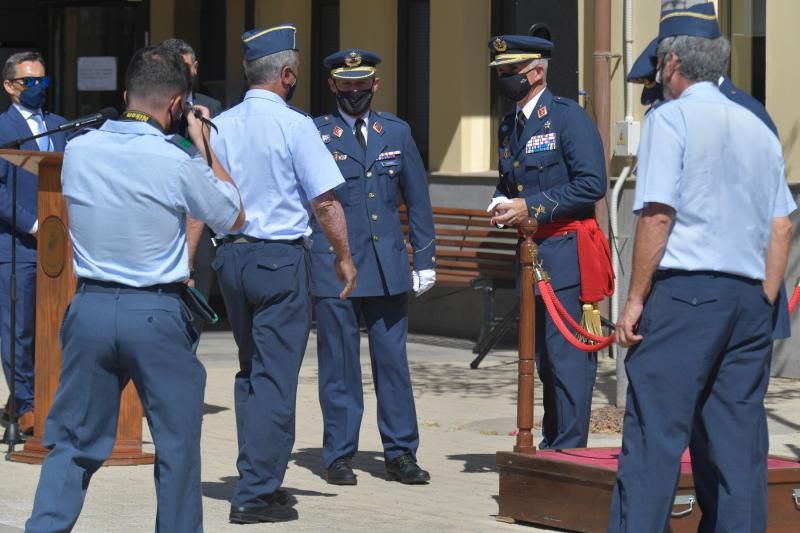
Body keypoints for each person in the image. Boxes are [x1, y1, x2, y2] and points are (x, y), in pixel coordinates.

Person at [25, 46, 243, 532]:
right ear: (178, 105)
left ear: (125, 96)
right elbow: (232, 214)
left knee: (72, 443)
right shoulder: (176, 159)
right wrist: (203, 143)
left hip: (91, 310)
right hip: (157, 314)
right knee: (177, 447)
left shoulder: (78, 148)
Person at [608, 4, 795, 531]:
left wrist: (635, 300)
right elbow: (783, 225)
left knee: (653, 441)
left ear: (670, 64)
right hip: (748, 300)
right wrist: (763, 297)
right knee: (738, 450)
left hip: (686, 296)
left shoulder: (671, 118)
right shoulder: (757, 126)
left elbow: (658, 215)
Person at [208, 24, 356, 524]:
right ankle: (255, 491)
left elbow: (199, 200)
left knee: (251, 371)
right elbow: (326, 201)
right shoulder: (296, 126)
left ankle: (258, 475)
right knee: (274, 376)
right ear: (287, 75)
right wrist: (344, 256)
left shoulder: (219, 126)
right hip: (279, 258)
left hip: (230, 257)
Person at [311, 49, 435, 486]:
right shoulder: (316, 134)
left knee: (392, 363)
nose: (355, 91)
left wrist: (425, 257)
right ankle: (339, 454)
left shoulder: (395, 132)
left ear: (375, 85)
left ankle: (401, 452)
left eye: (362, 84)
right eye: (346, 84)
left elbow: (417, 199)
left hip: (386, 267)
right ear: (333, 86)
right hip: (334, 266)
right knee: (339, 365)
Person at [486, 35, 611, 449]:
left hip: (566, 253)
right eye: (500, 72)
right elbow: (510, 181)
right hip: (532, 254)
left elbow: (592, 184)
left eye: (511, 72)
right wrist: (501, 203)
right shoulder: (510, 125)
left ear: (536, 72)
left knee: (566, 361)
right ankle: (552, 444)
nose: (504, 79)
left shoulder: (567, 118)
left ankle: (569, 450)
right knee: (541, 359)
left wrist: (531, 206)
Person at [0, 51, 67, 434]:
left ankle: (41, 395)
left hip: (61, 249)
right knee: (20, 331)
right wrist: (33, 224)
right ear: (10, 86)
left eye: (44, 81)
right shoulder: (3, 128)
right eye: (31, 82)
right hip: (18, 246)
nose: (39, 88)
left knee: (55, 327)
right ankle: (26, 404)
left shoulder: (61, 126)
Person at [160, 38, 223, 307]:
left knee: (197, 310)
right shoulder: (155, 106)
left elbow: (220, 166)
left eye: (186, 68)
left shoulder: (213, 108)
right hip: (162, 217)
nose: (182, 76)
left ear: (195, 68)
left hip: (201, 223)